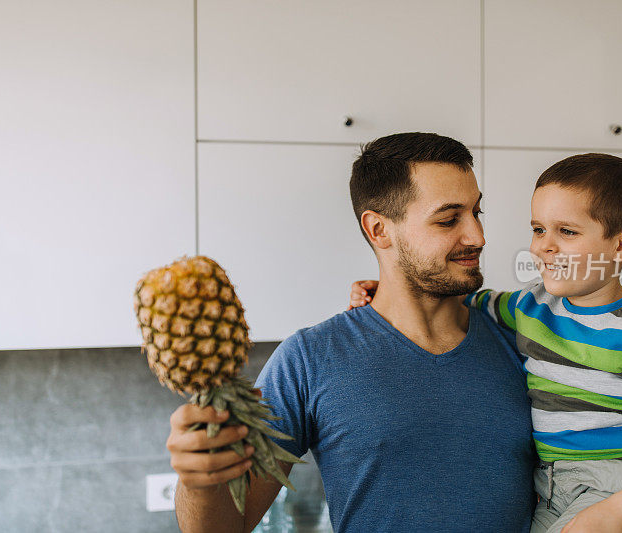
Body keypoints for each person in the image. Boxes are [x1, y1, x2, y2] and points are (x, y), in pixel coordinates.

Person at [166, 132, 536, 533]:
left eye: (476, 213)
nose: (477, 237)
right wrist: (198, 483)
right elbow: (223, 527)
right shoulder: (310, 359)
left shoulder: (524, 340)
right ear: (379, 230)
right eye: (448, 219)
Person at [350, 153, 622, 532]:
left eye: (567, 232)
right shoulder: (531, 307)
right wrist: (390, 291)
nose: (544, 247)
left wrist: (612, 515)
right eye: (538, 229)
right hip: (553, 488)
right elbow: (459, 298)